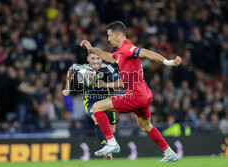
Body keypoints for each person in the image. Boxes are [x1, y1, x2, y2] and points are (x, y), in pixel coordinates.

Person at [80, 21, 181, 162]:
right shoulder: (120, 52)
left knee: (97, 107)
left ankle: (111, 143)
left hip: (136, 95)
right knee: (145, 126)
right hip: (145, 95)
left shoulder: (128, 48)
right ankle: (170, 153)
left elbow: (144, 52)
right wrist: (92, 49)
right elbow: (110, 57)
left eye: (110, 35)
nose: (108, 39)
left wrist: (167, 62)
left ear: (120, 34)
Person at [62, 49, 123, 159]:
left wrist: (106, 84)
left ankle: (110, 146)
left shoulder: (107, 68)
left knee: (112, 128)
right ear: (88, 59)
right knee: (97, 118)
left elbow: (120, 83)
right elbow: (71, 69)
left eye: (98, 58)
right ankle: (106, 148)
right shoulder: (83, 68)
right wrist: (67, 88)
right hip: (91, 101)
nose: (95, 61)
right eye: (93, 58)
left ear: (101, 59)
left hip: (108, 101)